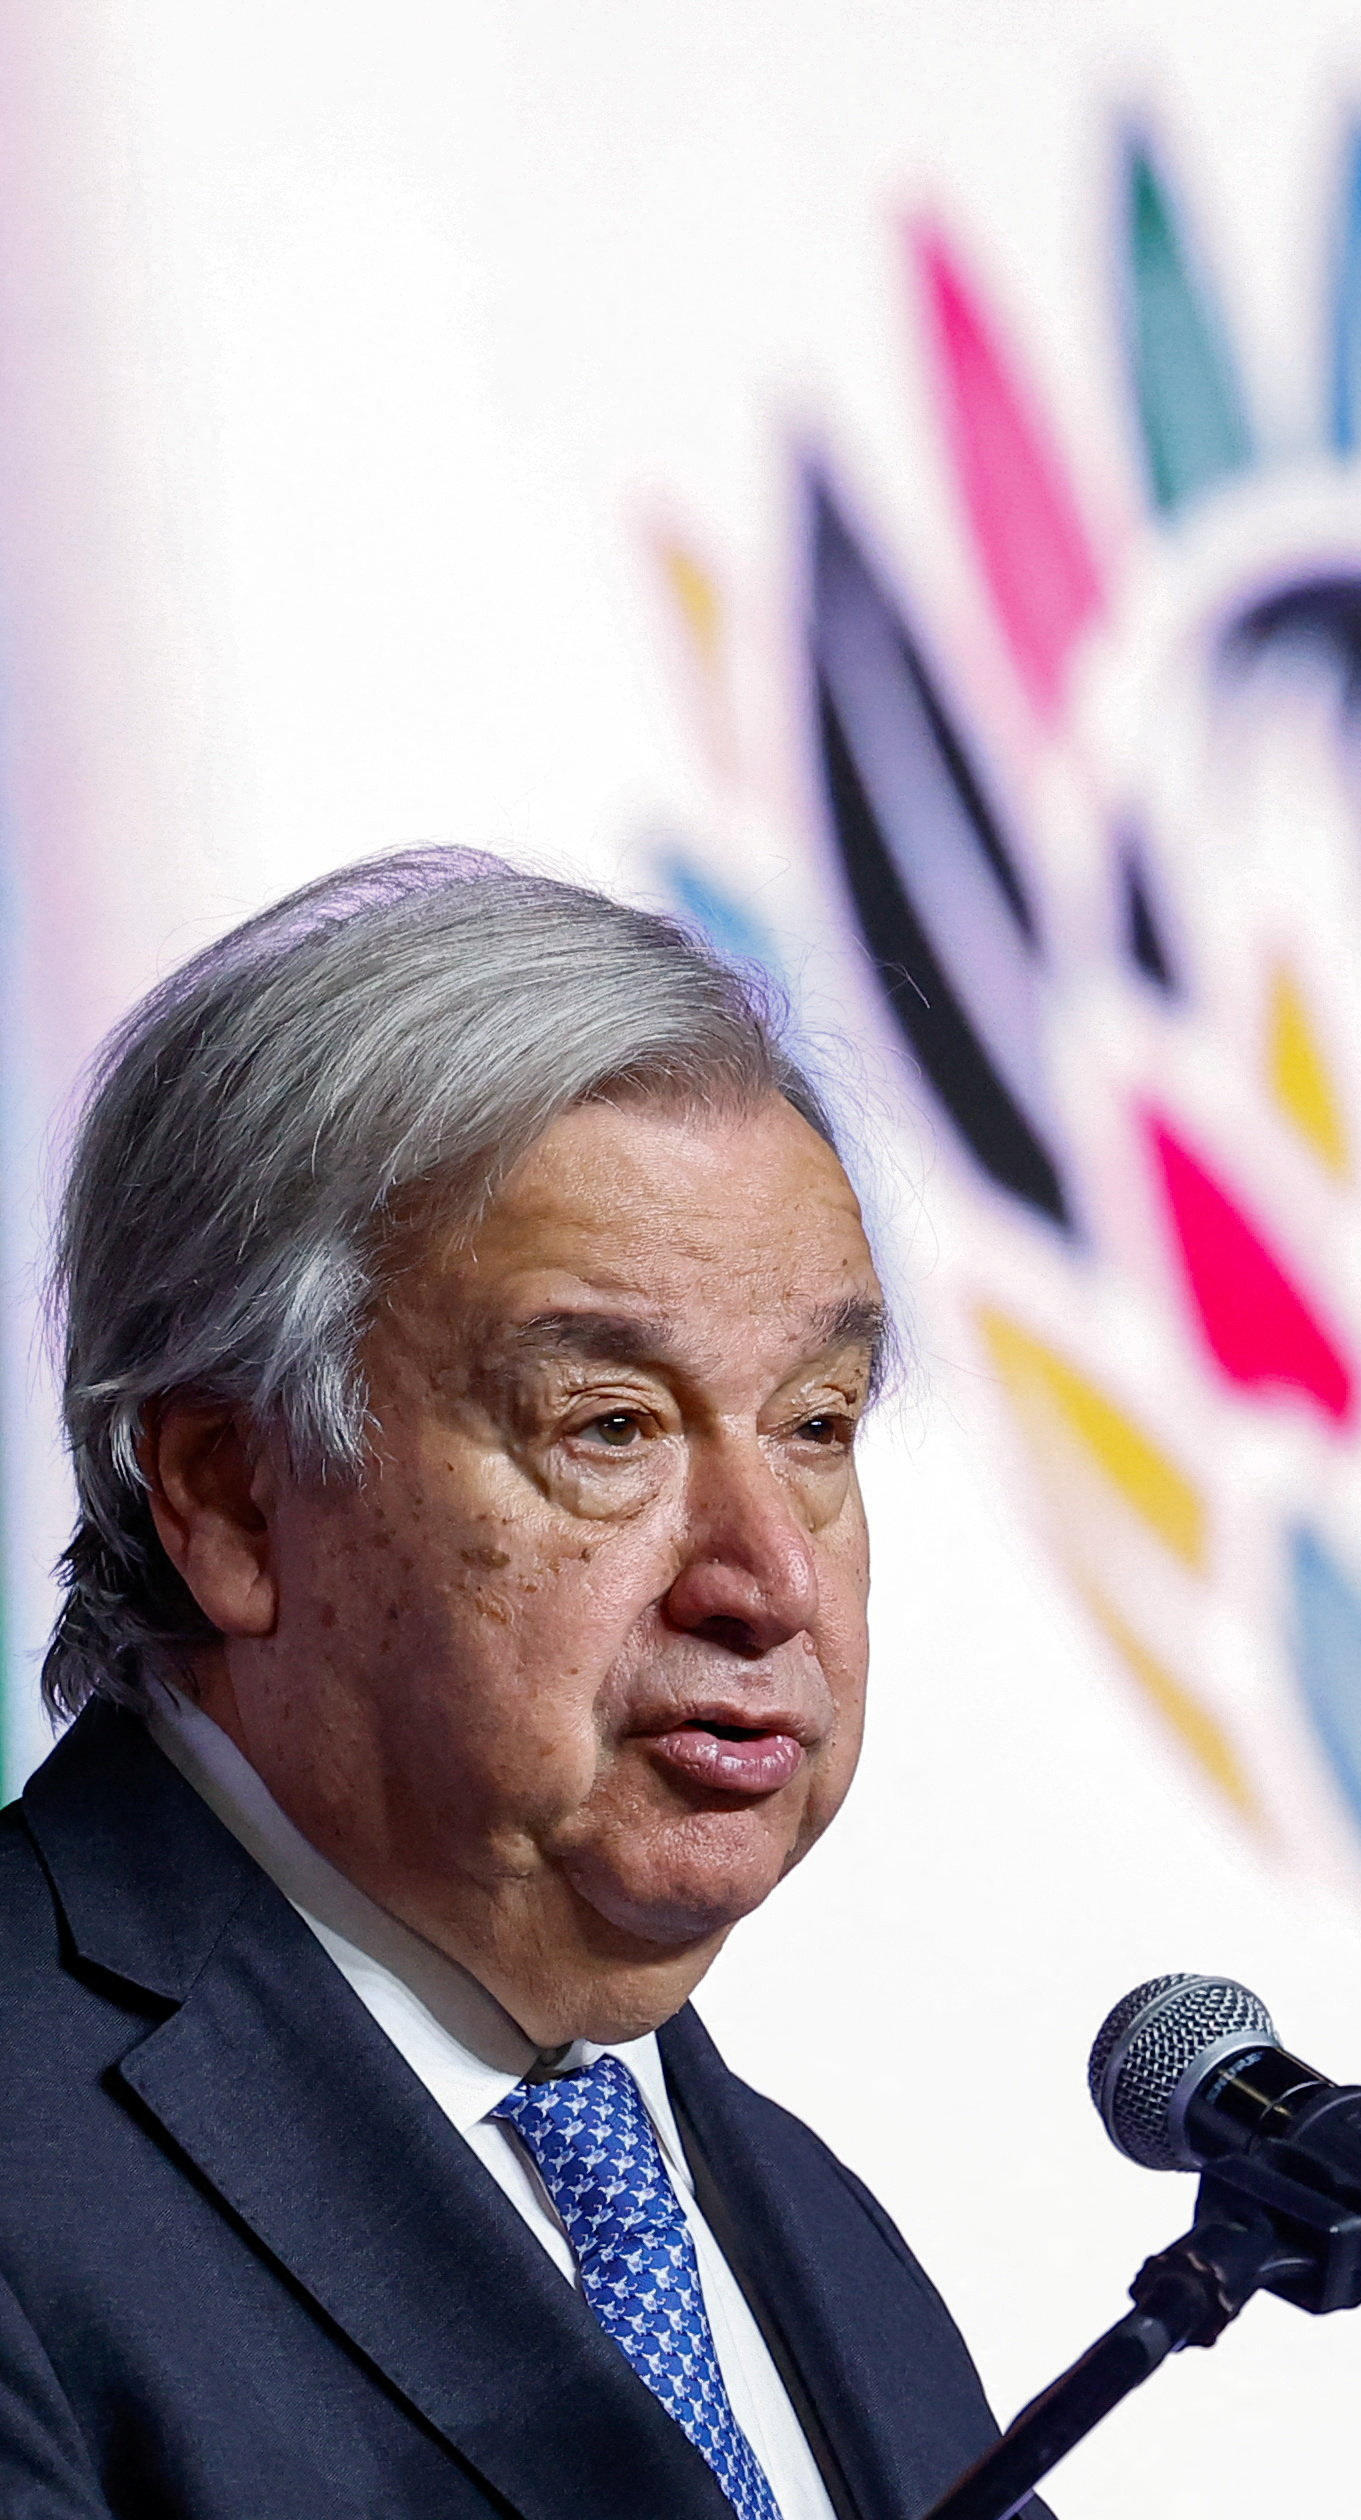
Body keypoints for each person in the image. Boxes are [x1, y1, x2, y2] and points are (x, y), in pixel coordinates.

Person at [0, 852, 1029, 2517]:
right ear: (233, 1497)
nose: (769, 1578)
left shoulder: (813, 2239)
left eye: (817, 1425)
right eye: (610, 1427)